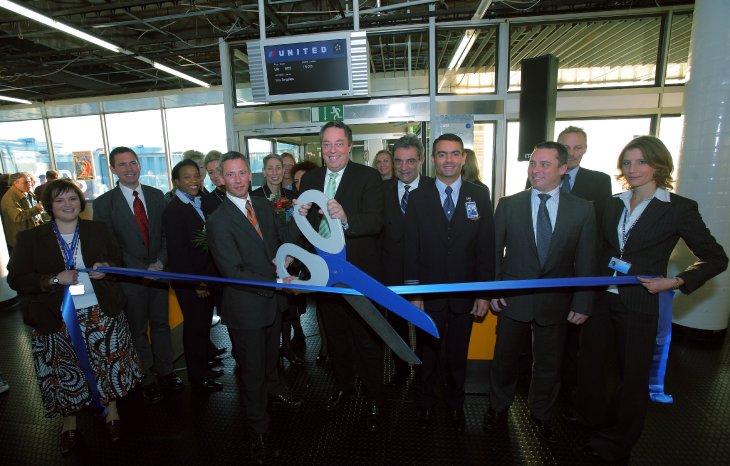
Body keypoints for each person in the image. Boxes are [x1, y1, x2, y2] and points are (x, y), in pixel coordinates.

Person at [578, 136, 727, 462]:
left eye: (641, 162)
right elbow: (602, 251)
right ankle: (597, 423)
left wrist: (674, 281)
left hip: (640, 303)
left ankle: (619, 442)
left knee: (632, 378)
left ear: (659, 165)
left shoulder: (678, 209)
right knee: (591, 367)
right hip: (602, 299)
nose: (633, 169)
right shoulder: (612, 203)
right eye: (628, 163)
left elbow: (716, 258)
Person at [7, 179, 143, 453]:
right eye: (59, 200)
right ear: (49, 206)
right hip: (56, 318)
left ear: (80, 202)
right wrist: (53, 279)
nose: (68, 204)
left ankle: (112, 411)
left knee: (108, 364)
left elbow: (118, 262)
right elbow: (17, 279)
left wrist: (108, 268)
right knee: (64, 371)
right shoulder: (31, 238)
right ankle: (69, 422)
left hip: (101, 313)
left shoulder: (99, 230)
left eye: (72, 198)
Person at [484, 141, 597, 444]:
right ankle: (497, 406)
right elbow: (493, 252)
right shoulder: (509, 204)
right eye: (533, 163)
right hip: (513, 298)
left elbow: (586, 260)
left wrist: (583, 300)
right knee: (504, 358)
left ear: (563, 168)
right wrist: (493, 289)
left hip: (556, 303)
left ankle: (542, 412)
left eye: (545, 164)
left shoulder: (583, 210)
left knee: (549, 362)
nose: (536, 169)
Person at [206, 151, 302, 464]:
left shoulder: (263, 205)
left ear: (251, 175)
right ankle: (259, 430)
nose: (237, 180)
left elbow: (277, 245)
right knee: (251, 372)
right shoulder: (218, 220)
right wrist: (275, 282)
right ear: (221, 179)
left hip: (273, 303)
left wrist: (288, 259)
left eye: (242, 173)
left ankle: (273, 393)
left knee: (269, 359)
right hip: (246, 308)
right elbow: (232, 271)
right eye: (230, 174)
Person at [297, 121, 386, 431]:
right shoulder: (310, 178)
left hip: (359, 274)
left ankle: (375, 398)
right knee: (335, 339)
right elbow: (305, 228)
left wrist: (346, 218)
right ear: (320, 148)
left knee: (367, 340)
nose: (332, 150)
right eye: (326, 144)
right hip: (325, 276)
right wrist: (301, 211)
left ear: (350, 146)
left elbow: (375, 222)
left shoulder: (369, 177)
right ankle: (345, 388)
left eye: (338, 144)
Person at [403, 133, 495, 432]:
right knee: (427, 355)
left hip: (465, 297)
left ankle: (456, 405)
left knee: (458, 356)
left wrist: (483, 293)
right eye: (442, 154)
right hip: (428, 296)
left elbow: (486, 248)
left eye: (455, 154)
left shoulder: (479, 195)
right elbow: (411, 247)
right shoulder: (417, 197)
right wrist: (415, 293)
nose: (448, 160)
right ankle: (425, 404)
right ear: (433, 159)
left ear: (463, 158)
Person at [93, 146, 183, 405]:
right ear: (112, 169)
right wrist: (143, 269)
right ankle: (146, 377)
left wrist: (160, 262)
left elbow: (168, 236)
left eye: (133, 162)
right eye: (122, 164)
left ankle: (166, 371)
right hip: (130, 279)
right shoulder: (104, 204)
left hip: (159, 273)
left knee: (161, 325)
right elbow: (110, 246)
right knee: (137, 330)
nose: (129, 168)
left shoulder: (157, 196)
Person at [162, 160, 222, 392]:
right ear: (176, 182)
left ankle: (204, 368)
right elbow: (178, 254)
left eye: (196, 176)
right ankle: (197, 378)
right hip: (191, 281)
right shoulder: (174, 211)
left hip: (206, 276)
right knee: (194, 328)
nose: (193, 181)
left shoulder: (201, 202)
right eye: (186, 178)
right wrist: (196, 282)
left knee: (203, 326)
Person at [380, 134, 432, 390]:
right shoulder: (382, 191)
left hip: (427, 276)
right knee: (396, 326)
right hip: (390, 275)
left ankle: (426, 372)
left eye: (411, 161)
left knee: (426, 326)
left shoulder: (435, 190)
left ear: (421, 160)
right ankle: (401, 366)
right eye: (398, 161)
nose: (404, 167)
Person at [251, 154, 302, 365]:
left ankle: (287, 347)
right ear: (263, 172)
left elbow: (300, 227)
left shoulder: (292, 196)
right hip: (267, 259)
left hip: (290, 258)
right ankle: (268, 354)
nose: (274, 172)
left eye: (278, 168)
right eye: (270, 168)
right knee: (271, 308)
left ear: (284, 171)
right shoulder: (254, 197)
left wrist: (291, 255)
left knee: (288, 308)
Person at [1, 172, 44, 251]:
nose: (29, 184)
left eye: (29, 181)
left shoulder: (27, 192)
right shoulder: (10, 198)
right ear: (15, 183)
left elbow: (34, 214)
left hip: (33, 235)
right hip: (22, 240)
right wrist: (36, 209)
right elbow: (17, 217)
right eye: (25, 182)